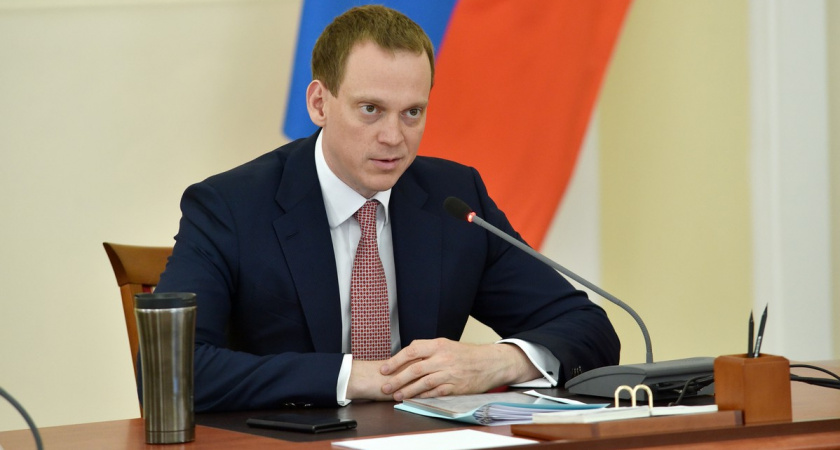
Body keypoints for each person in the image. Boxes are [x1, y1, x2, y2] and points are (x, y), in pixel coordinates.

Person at [156, 5, 620, 412]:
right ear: (319, 103)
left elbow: (589, 330)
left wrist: (497, 361)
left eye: (412, 112)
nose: (394, 138)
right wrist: (356, 377)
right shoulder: (230, 207)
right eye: (371, 110)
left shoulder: (454, 199)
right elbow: (173, 369)